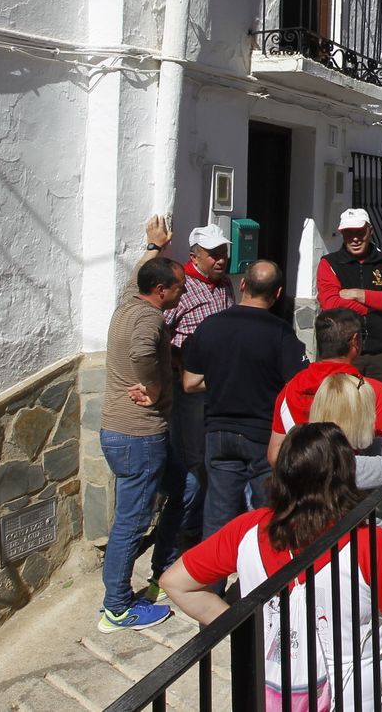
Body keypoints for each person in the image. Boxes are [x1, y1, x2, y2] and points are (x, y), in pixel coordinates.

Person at [159, 423, 382, 709]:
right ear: (344, 475)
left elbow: (175, 582)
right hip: (353, 692)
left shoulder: (248, 530)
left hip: (277, 691)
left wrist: (246, 629)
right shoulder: (368, 542)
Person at [182, 260, 308, 537]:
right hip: (263, 435)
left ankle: (213, 579)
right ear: (277, 294)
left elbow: (190, 382)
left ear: (242, 285)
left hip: (218, 431)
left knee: (217, 518)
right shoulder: (281, 332)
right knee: (269, 515)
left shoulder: (210, 325)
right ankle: (265, 577)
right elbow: (297, 384)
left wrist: (224, 380)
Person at [97, 256, 186, 631]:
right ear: (160, 289)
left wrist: (155, 246)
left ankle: (163, 570)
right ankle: (117, 608)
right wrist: (152, 386)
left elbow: (137, 275)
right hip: (139, 436)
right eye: (179, 286)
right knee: (131, 523)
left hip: (118, 432)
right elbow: (141, 351)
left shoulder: (127, 304)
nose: (183, 291)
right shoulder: (150, 319)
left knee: (186, 485)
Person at [141, 218, 234, 555]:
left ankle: (207, 519)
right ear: (195, 256)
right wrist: (181, 361)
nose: (221, 259)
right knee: (193, 457)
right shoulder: (180, 284)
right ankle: (187, 529)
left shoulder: (224, 285)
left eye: (223, 252)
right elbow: (159, 331)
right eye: (213, 254)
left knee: (213, 452)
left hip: (219, 383)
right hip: (190, 387)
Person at [266, 308, 382, 468]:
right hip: (353, 487)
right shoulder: (372, 390)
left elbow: (275, 455)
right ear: (355, 341)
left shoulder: (290, 389)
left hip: (301, 487)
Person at [317, 208, 382, 402]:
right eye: (349, 233)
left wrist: (359, 294)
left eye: (360, 232)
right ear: (342, 233)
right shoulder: (329, 263)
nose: (355, 238)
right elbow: (330, 303)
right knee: (343, 410)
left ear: (370, 230)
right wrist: (371, 305)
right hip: (342, 352)